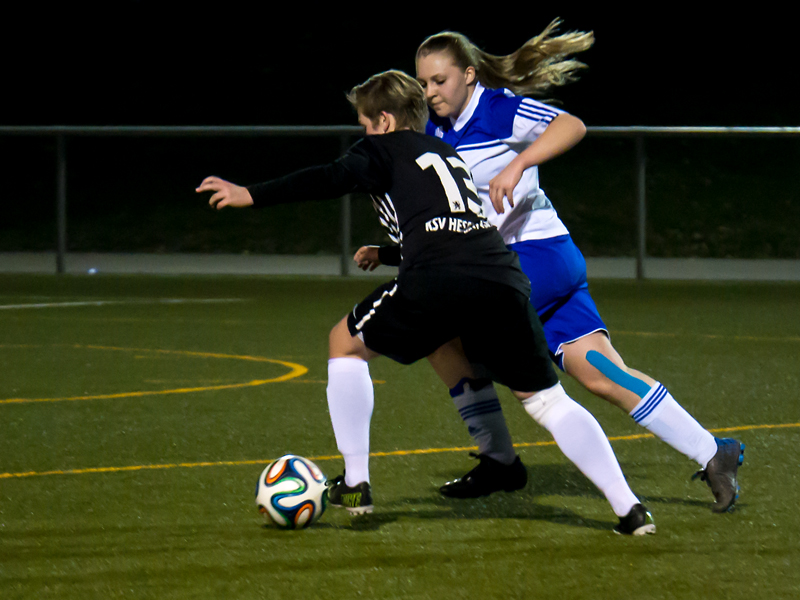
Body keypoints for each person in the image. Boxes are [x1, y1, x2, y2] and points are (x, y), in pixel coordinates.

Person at [196, 69, 655, 535]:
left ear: (385, 121)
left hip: (439, 275)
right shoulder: (445, 152)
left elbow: (329, 178)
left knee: (343, 343)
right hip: (502, 274)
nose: (363, 134)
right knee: (544, 400)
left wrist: (249, 194)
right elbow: (451, 224)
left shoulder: (380, 148)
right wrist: (391, 253)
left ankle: (356, 483)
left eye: (365, 124)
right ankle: (629, 510)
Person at [359, 19, 744, 514]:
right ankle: (714, 452)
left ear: (470, 75)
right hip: (545, 264)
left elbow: (572, 125)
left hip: (529, 258)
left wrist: (518, 164)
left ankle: (500, 459)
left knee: (442, 334)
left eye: (441, 81)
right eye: (425, 82)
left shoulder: (498, 109)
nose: (431, 92)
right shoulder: (433, 132)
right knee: (602, 371)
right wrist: (391, 252)